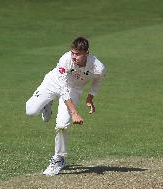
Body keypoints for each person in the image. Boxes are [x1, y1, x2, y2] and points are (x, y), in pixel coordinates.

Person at [25, 37, 105, 176]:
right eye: (73, 53)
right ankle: (47, 103)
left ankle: (59, 159)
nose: (74, 57)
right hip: (53, 82)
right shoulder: (65, 59)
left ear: (87, 53)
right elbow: (62, 90)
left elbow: (97, 82)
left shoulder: (98, 67)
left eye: (78, 54)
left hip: (74, 89)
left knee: (62, 125)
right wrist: (74, 112)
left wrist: (90, 98)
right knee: (30, 111)